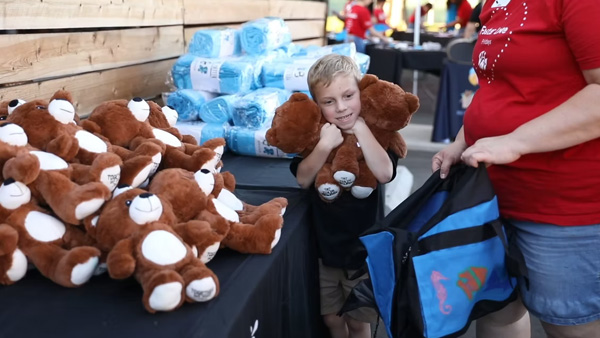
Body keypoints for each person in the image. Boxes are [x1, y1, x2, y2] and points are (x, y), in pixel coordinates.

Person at [432, 1, 600, 337]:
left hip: (561, 205)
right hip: (490, 198)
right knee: (498, 310)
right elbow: (498, 85)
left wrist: (516, 141)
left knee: (567, 323)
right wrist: (461, 140)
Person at [291, 54, 398, 338]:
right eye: (329, 101)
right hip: (326, 251)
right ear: (317, 105)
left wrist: (361, 129)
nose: (341, 108)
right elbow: (303, 179)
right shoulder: (315, 137)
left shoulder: (377, 133)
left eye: (348, 96)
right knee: (331, 319)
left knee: (359, 322)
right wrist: (325, 145)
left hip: (363, 252)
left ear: (361, 91)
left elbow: (385, 173)